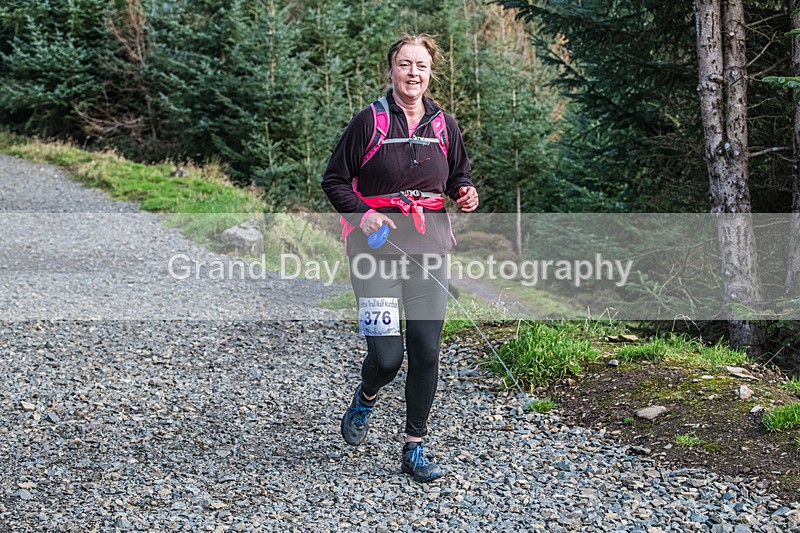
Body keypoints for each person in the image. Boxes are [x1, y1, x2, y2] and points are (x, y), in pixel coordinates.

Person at [321, 33, 478, 483]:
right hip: (375, 256)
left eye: (421, 66)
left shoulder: (444, 124)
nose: (413, 73)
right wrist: (363, 215)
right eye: (405, 64)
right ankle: (367, 395)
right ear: (391, 69)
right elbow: (334, 181)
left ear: (430, 73)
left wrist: (464, 191)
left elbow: (458, 175)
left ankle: (414, 446)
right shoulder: (368, 121)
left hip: (430, 252)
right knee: (388, 358)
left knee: (426, 351)